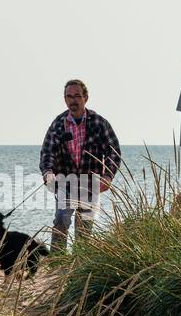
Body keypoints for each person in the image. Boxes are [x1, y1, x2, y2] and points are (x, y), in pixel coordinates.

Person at [38, 79, 121, 252]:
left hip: (90, 184)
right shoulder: (58, 124)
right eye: (69, 96)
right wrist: (48, 172)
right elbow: (47, 152)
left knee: (84, 228)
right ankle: (57, 264)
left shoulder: (99, 123)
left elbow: (114, 153)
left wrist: (108, 177)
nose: (73, 100)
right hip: (65, 183)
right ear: (64, 99)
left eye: (77, 96)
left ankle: (79, 266)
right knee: (61, 220)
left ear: (85, 98)